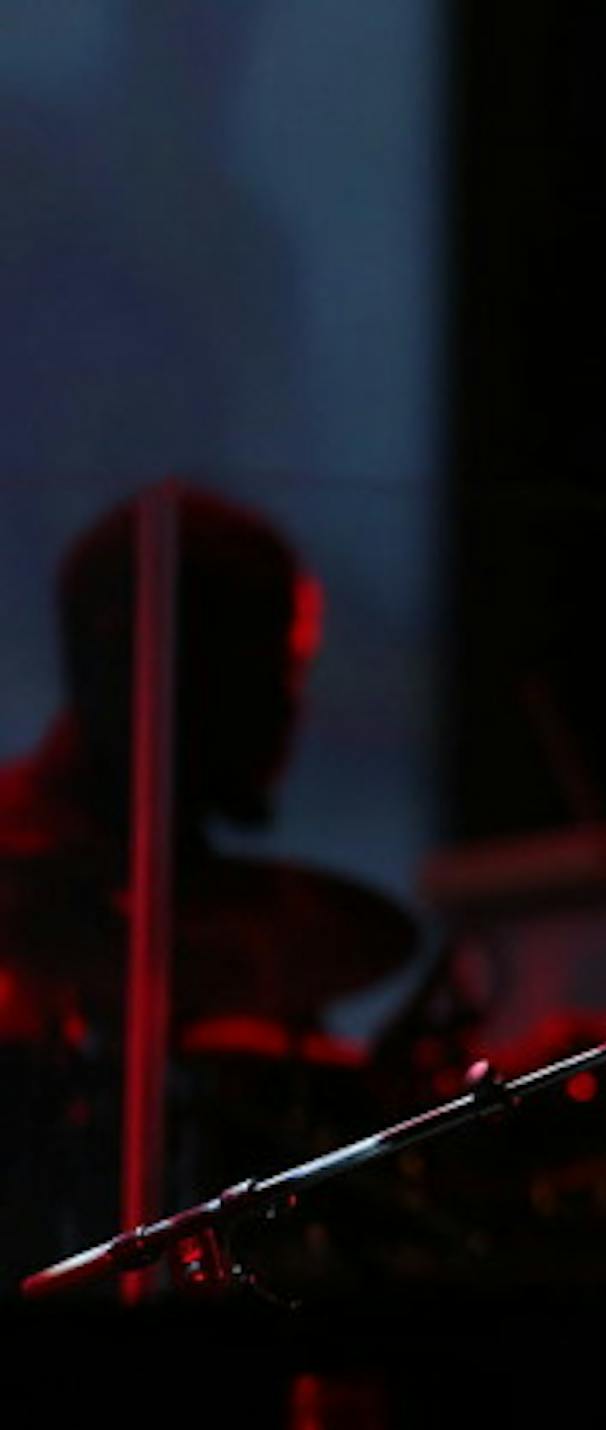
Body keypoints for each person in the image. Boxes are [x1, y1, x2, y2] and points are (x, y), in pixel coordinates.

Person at [0, 484, 419, 1292]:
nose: (292, 712)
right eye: (276, 668)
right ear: (167, 662)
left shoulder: (215, 910)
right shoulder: (33, 903)